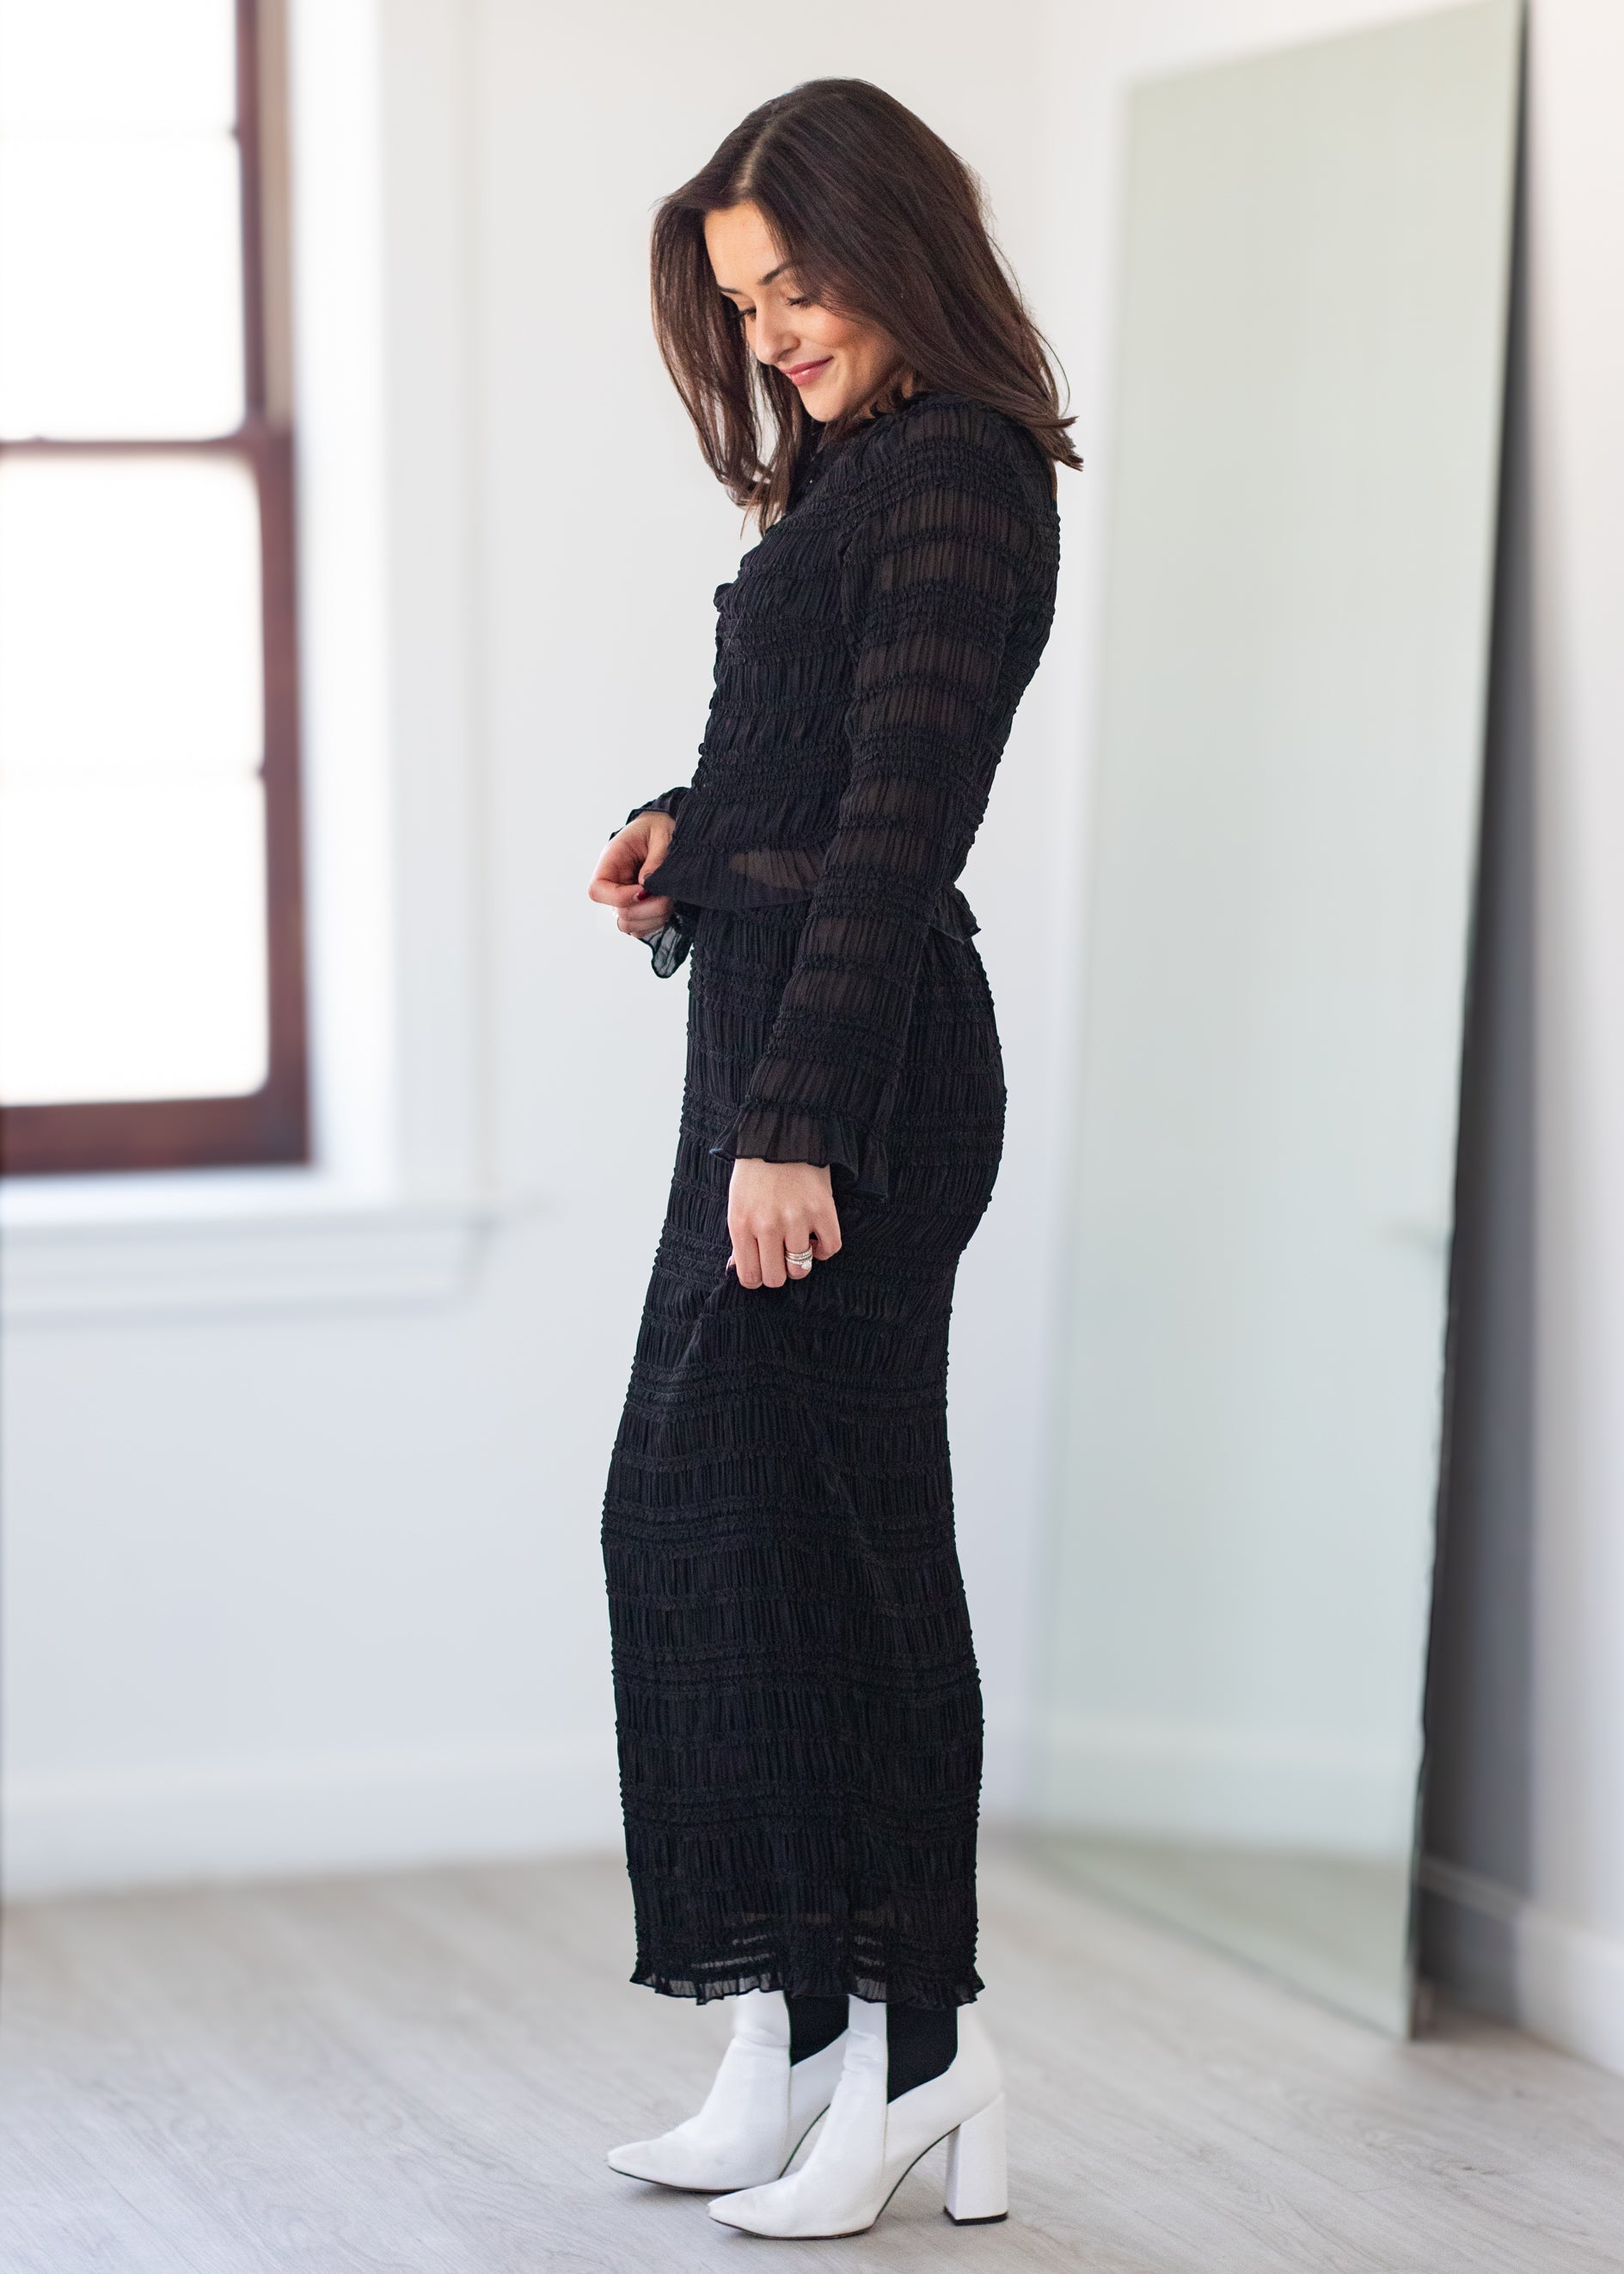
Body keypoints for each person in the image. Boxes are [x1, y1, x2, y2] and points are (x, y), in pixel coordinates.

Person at [588, 77, 1073, 2240]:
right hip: (765, 1041)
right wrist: (675, 839)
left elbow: (902, 825)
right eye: (747, 298)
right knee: (714, 1532)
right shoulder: (850, 473)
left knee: (849, 1561)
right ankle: (791, 2033)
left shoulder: (961, 472)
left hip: (848, 1076)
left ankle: (925, 2052)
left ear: (900, 241)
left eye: (799, 282)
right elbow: (784, 774)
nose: (774, 328)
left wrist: (799, 1125)